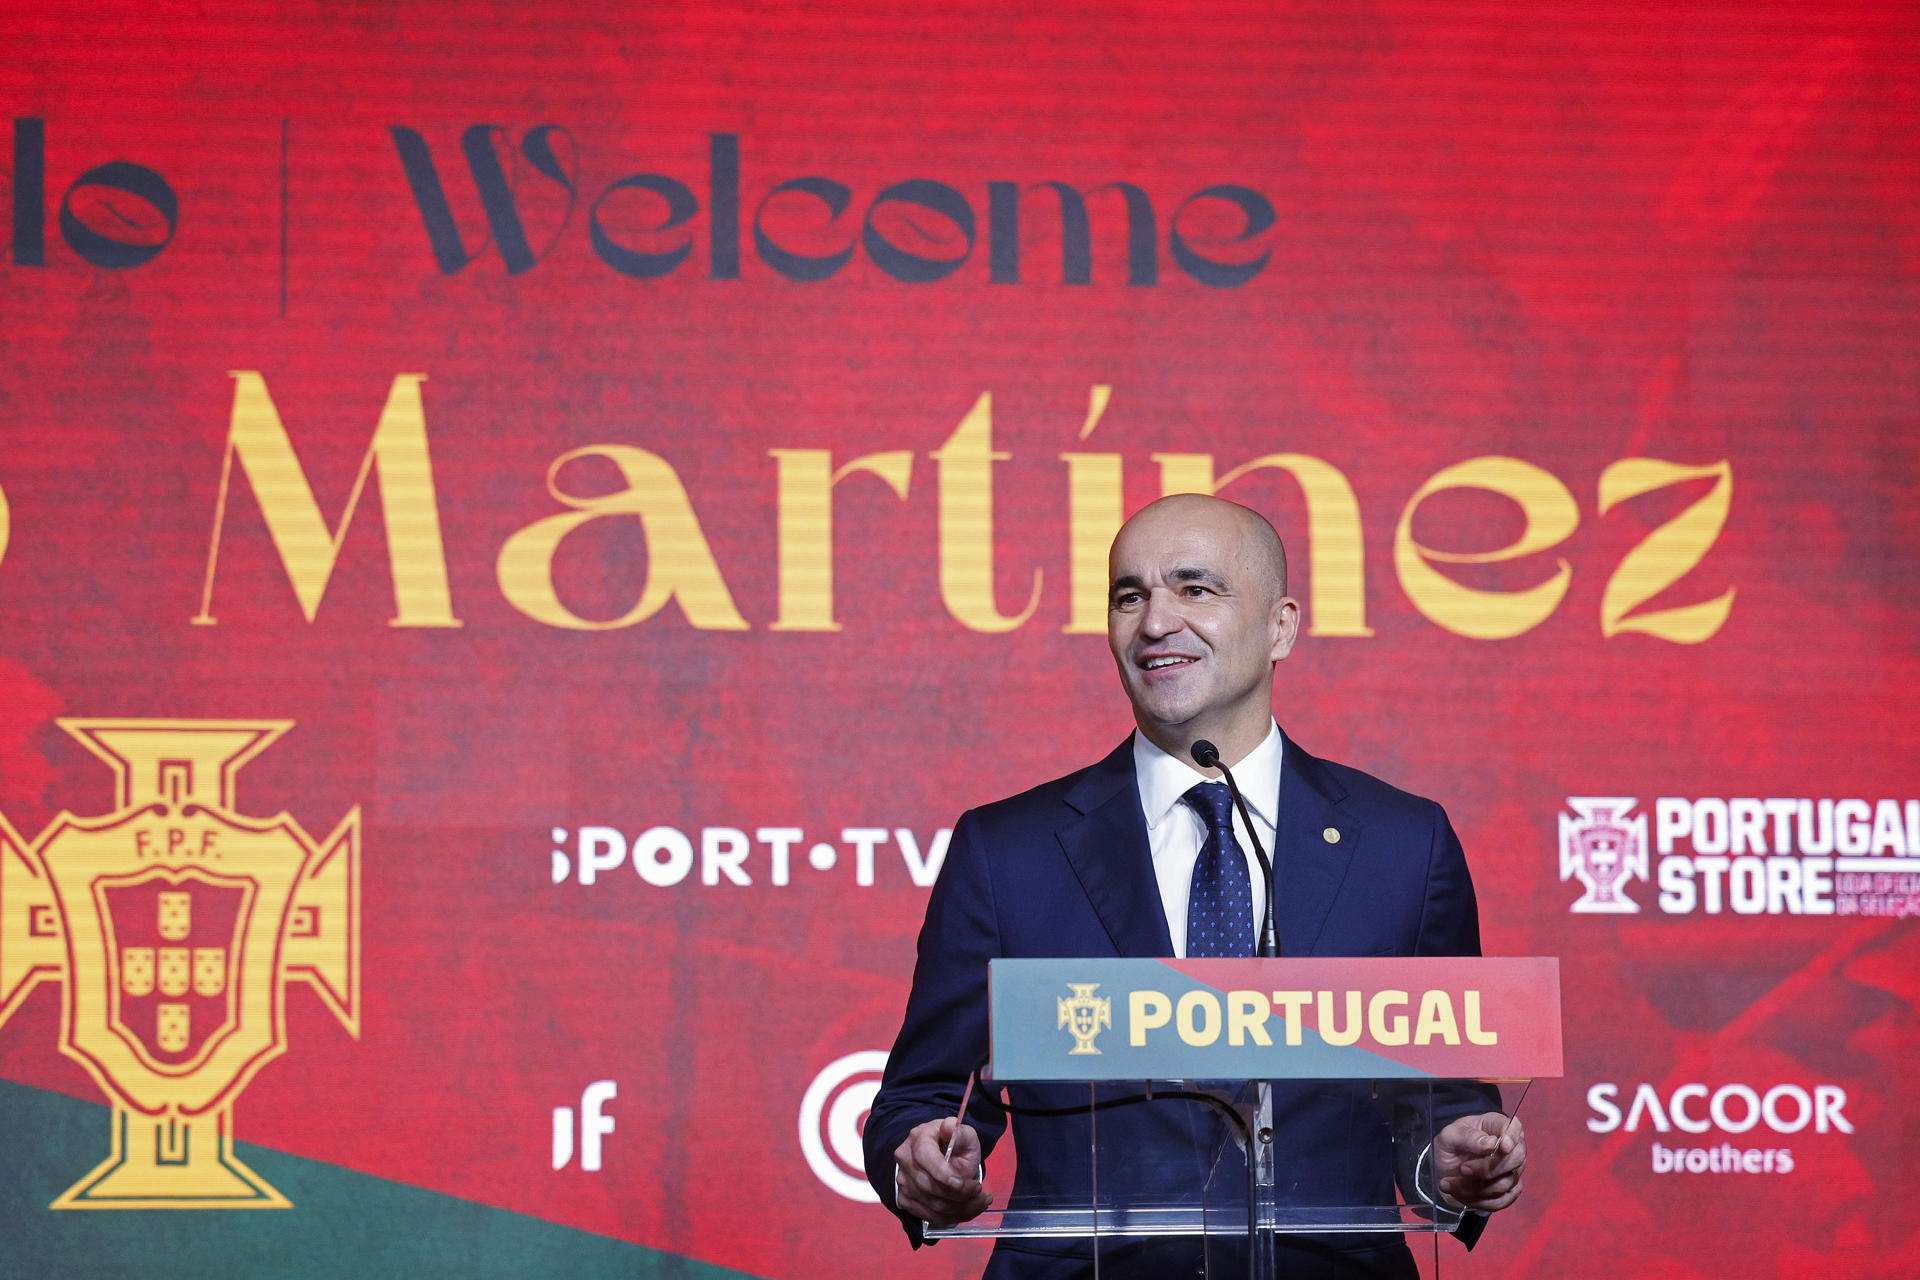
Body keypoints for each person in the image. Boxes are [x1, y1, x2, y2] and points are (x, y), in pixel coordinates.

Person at [864, 494, 1526, 1279]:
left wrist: (1457, 1165)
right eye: (1129, 595)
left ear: (1281, 625)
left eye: (1195, 589)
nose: (1154, 623)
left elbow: (1444, 1108)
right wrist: (931, 1162)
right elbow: (927, 1097)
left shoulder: (1403, 845)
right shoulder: (1007, 850)